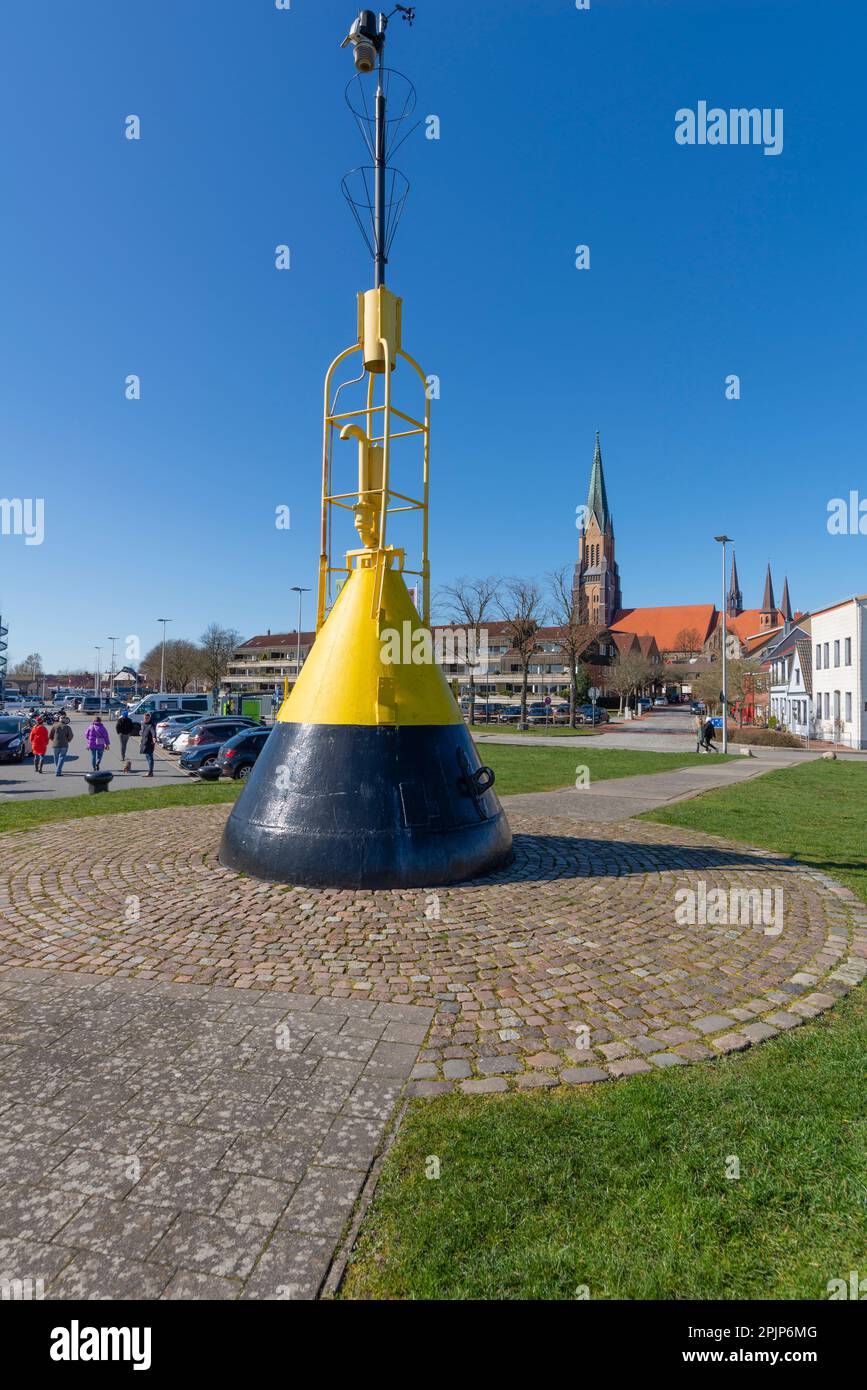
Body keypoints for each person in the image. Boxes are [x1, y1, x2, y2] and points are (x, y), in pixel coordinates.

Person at [140, 712, 157, 777]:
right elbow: (143, 733)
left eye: (147, 718)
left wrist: (154, 738)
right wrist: (141, 742)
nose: (146, 719)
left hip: (149, 743)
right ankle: (150, 771)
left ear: (149, 718)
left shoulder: (151, 725)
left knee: (150, 757)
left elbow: (153, 732)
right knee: (147, 757)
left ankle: (150, 772)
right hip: (144, 742)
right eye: (145, 718)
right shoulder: (144, 723)